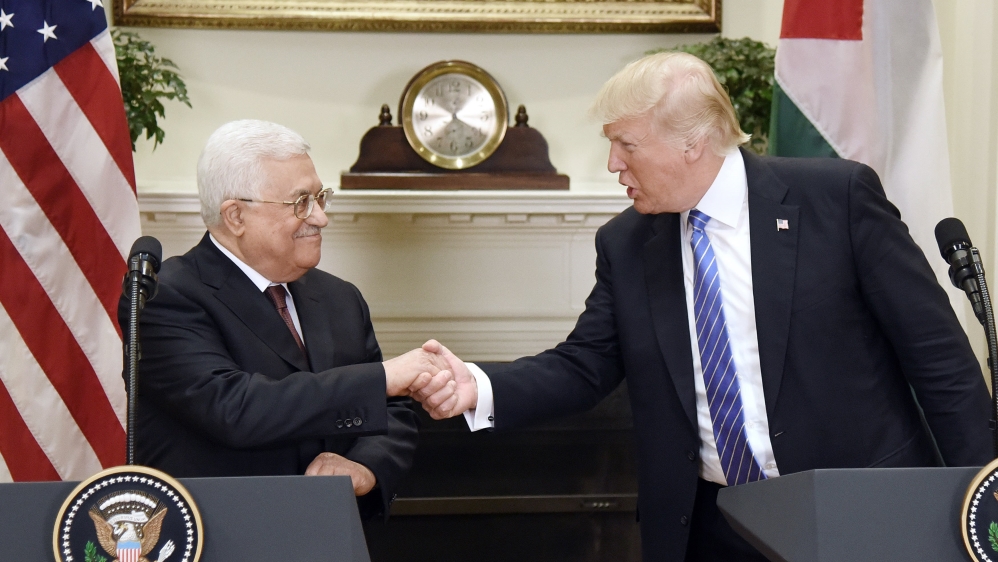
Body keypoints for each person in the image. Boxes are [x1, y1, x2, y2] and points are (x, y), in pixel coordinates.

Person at [412, 52, 993, 560]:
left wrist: (986, 507)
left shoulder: (835, 200)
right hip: (711, 529)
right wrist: (478, 387)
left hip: (855, 512)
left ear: (692, 142)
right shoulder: (627, 244)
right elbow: (584, 364)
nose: (613, 163)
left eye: (626, 144)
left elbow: (938, 359)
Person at [120, 120, 448, 520]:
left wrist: (364, 467)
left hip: (329, 533)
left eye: (320, 198)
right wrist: (382, 377)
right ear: (236, 216)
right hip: (222, 533)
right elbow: (234, 409)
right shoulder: (165, 297)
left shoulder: (339, 297)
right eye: (301, 202)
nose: (320, 218)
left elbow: (391, 412)